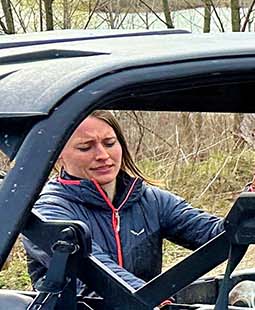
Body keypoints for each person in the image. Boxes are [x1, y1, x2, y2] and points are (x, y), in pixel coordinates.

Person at [26, 114, 225, 295]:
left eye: (109, 143)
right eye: (86, 147)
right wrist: (150, 298)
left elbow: (214, 233)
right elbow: (97, 274)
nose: (103, 155)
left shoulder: (152, 200)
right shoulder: (46, 211)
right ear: (58, 153)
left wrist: (250, 208)